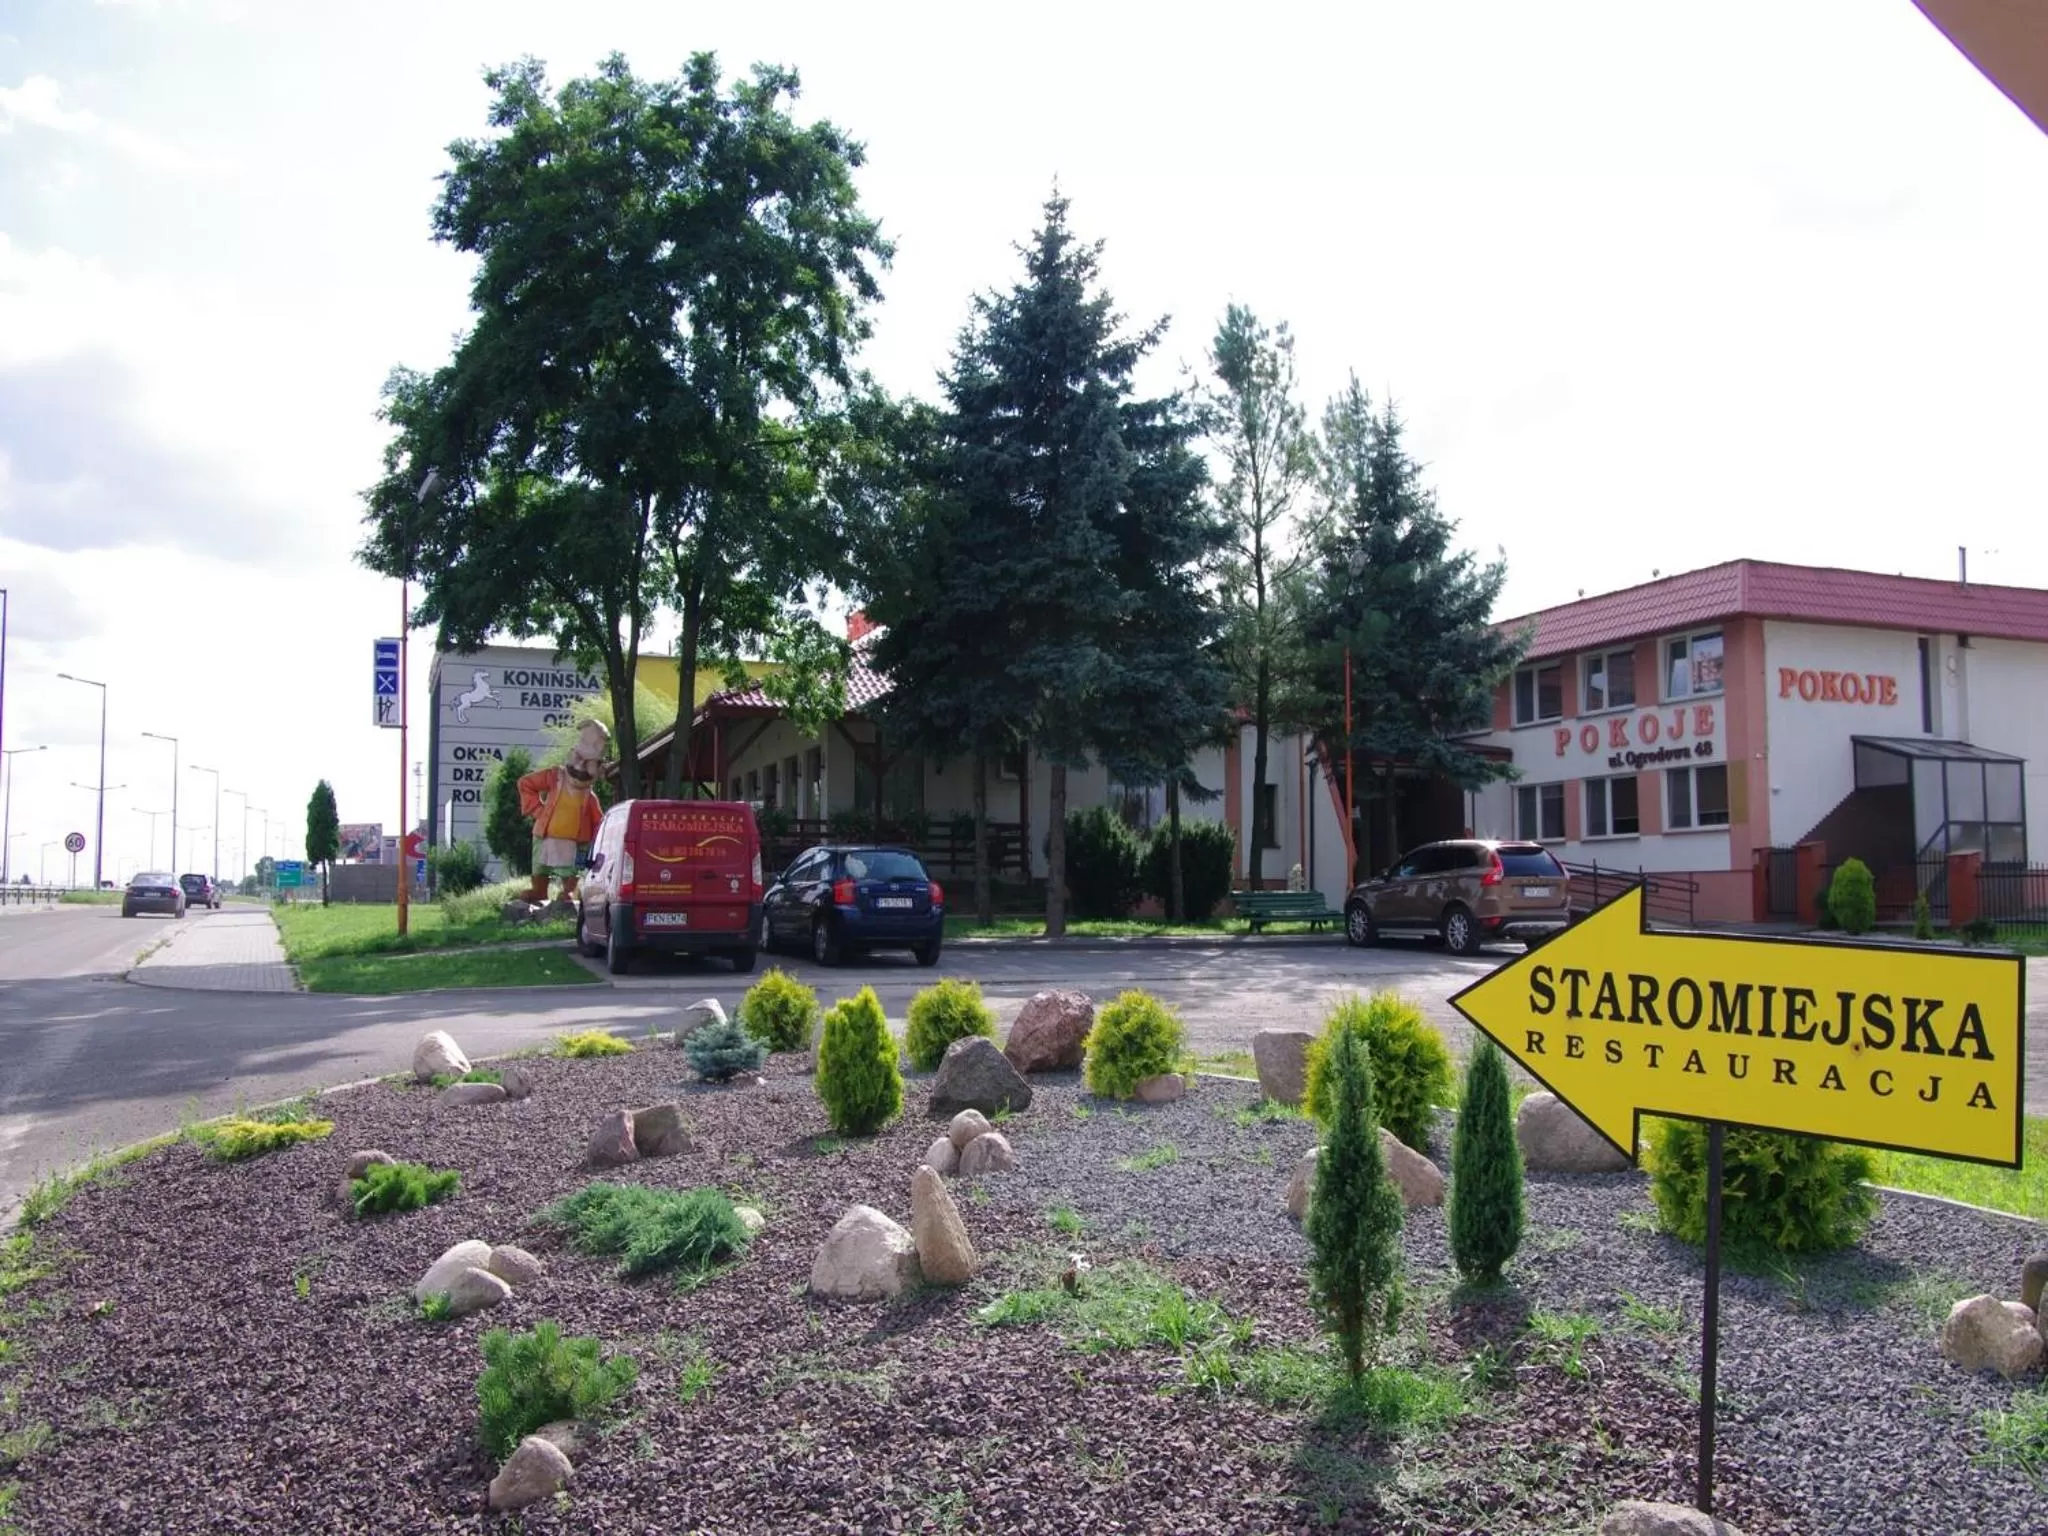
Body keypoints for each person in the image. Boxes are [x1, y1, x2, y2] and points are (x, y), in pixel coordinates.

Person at [516, 720, 609, 904]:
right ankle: (539, 890)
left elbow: (600, 824)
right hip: (545, 835)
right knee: (540, 867)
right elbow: (525, 784)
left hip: (576, 843)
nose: (580, 767)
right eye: (578, 758)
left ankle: (570, 891)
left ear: (599, 769)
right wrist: (537, 810)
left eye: (589, 763)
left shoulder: (590, 798)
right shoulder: (554, 776)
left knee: (572, 871)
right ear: (570, 753)